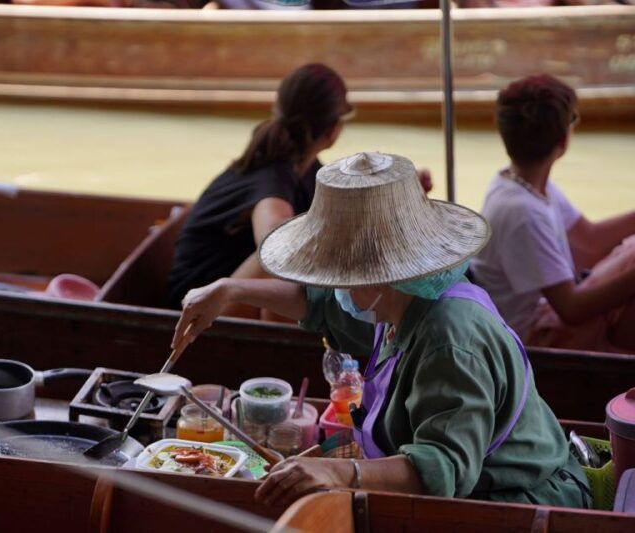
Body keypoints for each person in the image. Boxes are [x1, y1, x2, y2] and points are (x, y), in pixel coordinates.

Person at [172, 152, 588, 508]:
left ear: (376, 275)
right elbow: (318, 306)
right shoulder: (398, 303)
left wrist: (340, 472)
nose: (332, 287)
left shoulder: (448, 336)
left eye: (336, 274)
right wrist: (229, 291)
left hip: (517, 497)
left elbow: (443, 467)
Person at [167, 63, 433, 314]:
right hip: (197, 305)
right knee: (285, 251)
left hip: (210, 292)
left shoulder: (304, 166)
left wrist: (397, 196)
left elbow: (342, 206)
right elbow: (274, 239)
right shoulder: (273, 178)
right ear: (333, 130)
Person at [471, 74, 635, 353]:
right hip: (532, 340)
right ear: (562, 141)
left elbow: (589, 240)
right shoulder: (522, 212)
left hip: (550, 314)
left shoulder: (518, 183)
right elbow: (572, 309)